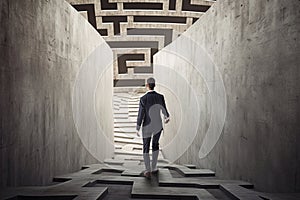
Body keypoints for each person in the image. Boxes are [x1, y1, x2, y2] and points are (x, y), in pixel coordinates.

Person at [136, 77, 170, 178]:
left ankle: (147, 170)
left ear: (147, 85)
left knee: (146, 147)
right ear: (154, 85)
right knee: (155, 145)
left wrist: (138, 127)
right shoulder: (160, 97)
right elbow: (164, 111)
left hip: (146, 126)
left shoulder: (143, 99)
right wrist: (167, 117)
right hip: (158, 126)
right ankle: (154, 167)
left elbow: (141, 114)